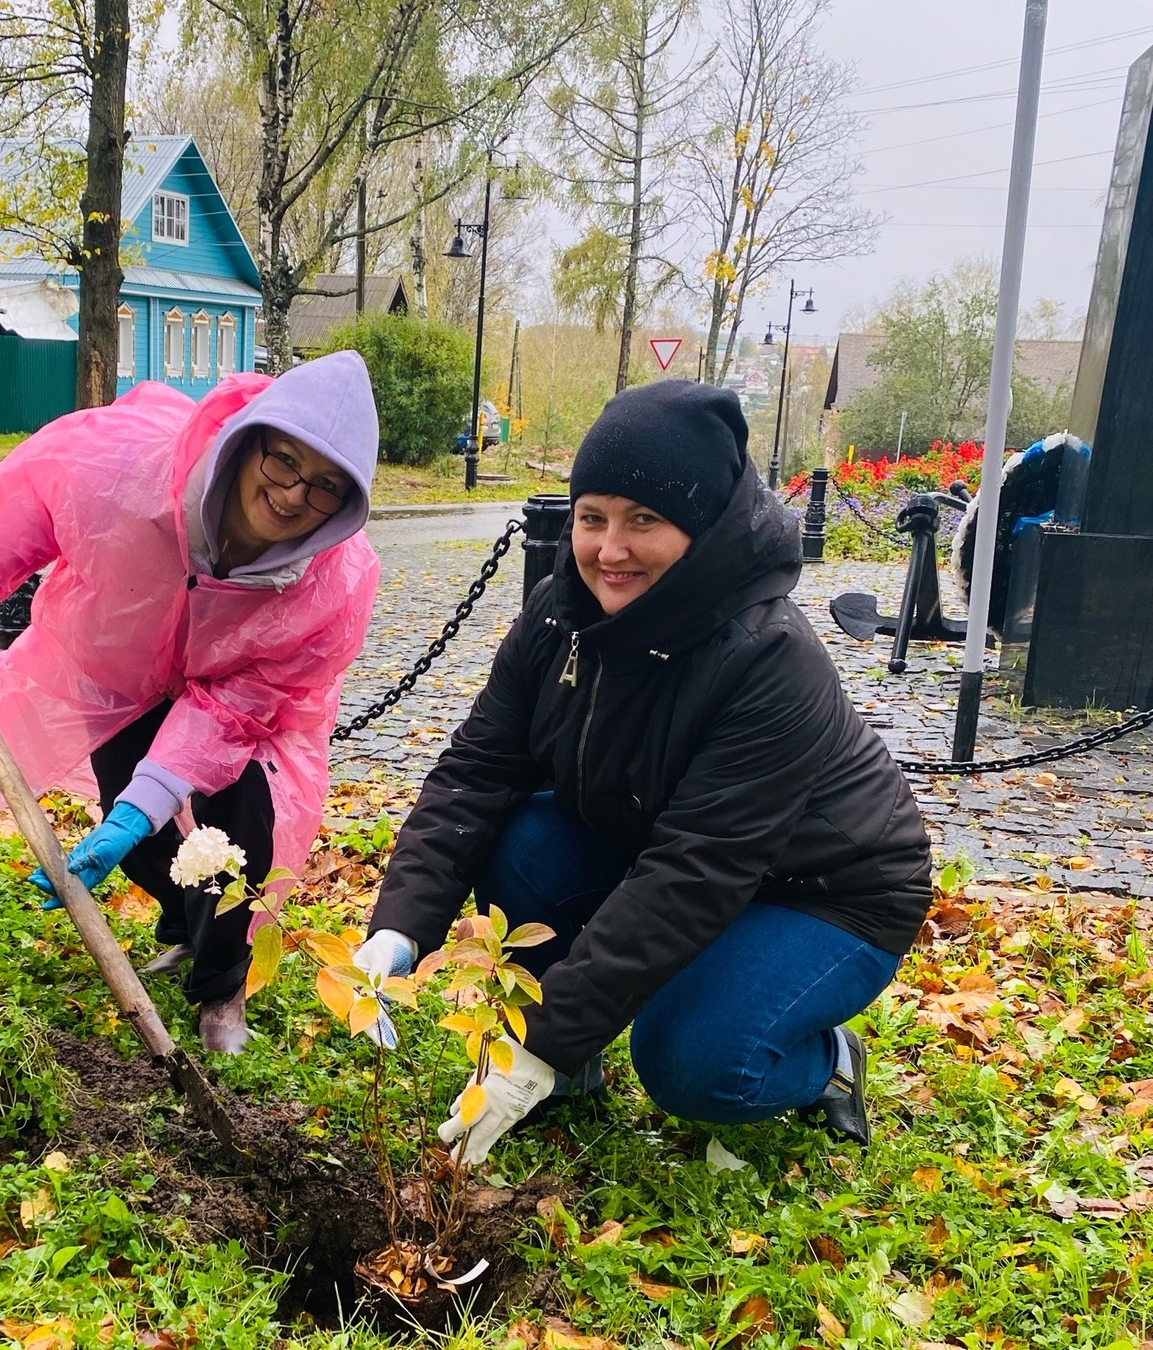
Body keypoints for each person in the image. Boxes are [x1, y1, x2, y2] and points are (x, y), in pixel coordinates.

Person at [354, 379, 931, 1157]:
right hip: (651, 838)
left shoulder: (769, 660)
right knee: (520, 837)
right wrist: (399, 927)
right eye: (592, 518)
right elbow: (477, 771)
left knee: (692, 1061)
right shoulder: (559, 617)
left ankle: (829, 1063)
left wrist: (535, 1041)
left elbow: (693, 873)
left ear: (705, 529)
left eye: (644, 521)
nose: (608, 550)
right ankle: (573, 1073)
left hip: (824, 893)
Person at [0, 351, 381, 1053]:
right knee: (136, 832)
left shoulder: (334, 588)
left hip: (236, 702)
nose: (290, 496)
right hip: (117, 664)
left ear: (344, 505)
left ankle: (222, 984)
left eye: (322, 488)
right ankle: (181, 925)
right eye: (282, 462)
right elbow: (26, 507)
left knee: (242, 832)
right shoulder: (120, 466)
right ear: (250, 439)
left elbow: (234, 712)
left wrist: (155, 793)